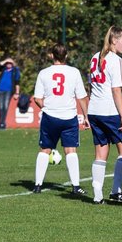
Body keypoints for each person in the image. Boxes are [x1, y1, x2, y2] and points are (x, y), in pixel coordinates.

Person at [87, 27, 122, 204]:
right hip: (110, 112)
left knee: (101, 153)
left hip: (94, 111)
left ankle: (97, 195)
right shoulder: (116, 60)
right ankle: (116, 191)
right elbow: (116, 90)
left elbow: (91, 86)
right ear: (114, 40)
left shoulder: (95, 56)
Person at [31, 43, 89, 196]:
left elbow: (37, 99)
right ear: (67, 56)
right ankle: (76, 187)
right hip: (69, 117)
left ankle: (37, 185)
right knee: (71, 150)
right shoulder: (74, 72)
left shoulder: (43, 73)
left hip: (50, 117)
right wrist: (86, 116)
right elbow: (82, 97)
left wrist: (49, 107)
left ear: (51, 55)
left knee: (45, 150)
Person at [0, 57, 20, 129]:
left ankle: (3, 123)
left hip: (8, 91)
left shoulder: (15, 70)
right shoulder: (3, 69)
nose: (9, 65)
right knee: (1, 106)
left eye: (10, 64)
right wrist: (6, 60)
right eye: (7, 64)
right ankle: (1, 123)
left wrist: (17, 93)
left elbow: (17, 82)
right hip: (0, 90)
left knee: (5, 106)